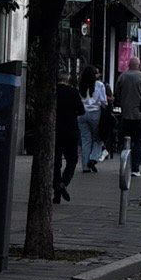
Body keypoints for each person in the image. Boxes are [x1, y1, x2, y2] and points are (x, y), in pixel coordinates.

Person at [115, 57, 141, 177]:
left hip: (125, 114)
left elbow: (117, 93)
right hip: (139, 115)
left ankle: (125, 164)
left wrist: (122, 103)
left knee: (125, 141)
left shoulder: (122, 77)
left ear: (129, 65)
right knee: (138, 141)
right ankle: (135, 167)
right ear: (139, 65)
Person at [54, 74, 84, 202]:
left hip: (55, 130)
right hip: (71, 130)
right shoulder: (73, 92)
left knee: (56, 162)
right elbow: (81, 110)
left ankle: (56, 189)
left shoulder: (54, 92)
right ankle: (63, 183)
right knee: (72, 160)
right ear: (67, 81)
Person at [77, 65, 107, 173]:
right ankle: (93, 158)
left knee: (86, 140)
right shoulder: (99, 85)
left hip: (82, 114)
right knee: (98, 138)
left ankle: (85, 166)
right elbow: (103, 102)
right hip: (95, 113)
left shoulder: (80, 85)